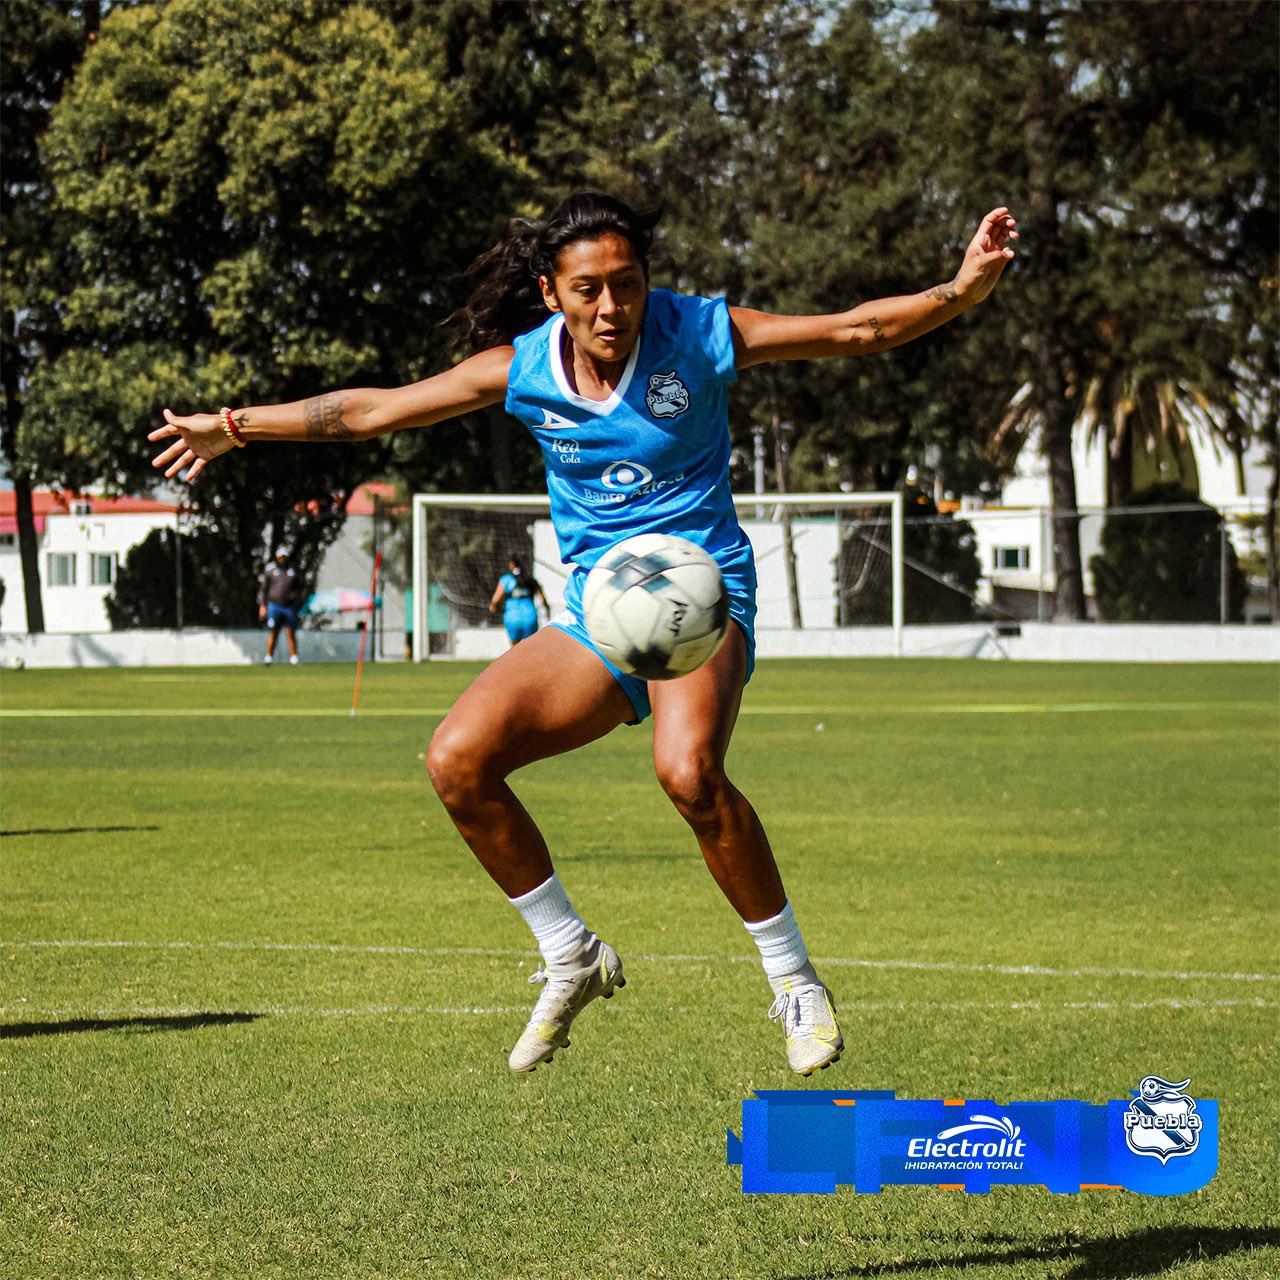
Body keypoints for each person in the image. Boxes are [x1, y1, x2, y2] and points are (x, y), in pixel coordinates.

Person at [149, 193, 1017, 1075]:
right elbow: (374, 412)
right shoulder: (522, 369)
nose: (612, 308)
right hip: (598, 618)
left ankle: (794, 982)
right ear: (552, 291)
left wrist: (959, 290)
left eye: (629, 284)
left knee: (688, 773)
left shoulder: (700, 333)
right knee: (457, 759)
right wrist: (233, 427)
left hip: (699, 595)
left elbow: (855, 331)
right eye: (589, 289)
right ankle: (570, 953)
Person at [489, 554, 548, 646]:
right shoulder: (530, 580)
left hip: (513, 617)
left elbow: (495, 600)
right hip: (530, 617)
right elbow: (542, 599)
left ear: (512, 564)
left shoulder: (507, 579)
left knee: (515, 649)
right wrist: (547, 611)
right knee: (529, 648)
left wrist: (493, 607)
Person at [258, 546, 304, 666]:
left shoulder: (292, 570)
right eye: (280, 557)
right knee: (274, 631)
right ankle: (268, 657)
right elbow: (263, 589)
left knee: (290, 632)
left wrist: (297, 604)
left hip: (289, 607)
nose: (282, 559)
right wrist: (263, 605)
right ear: (277, 558)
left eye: (284, 557)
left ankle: (294, 658)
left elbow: (300, 589)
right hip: (274, 606)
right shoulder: (270, 570)